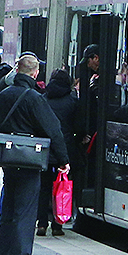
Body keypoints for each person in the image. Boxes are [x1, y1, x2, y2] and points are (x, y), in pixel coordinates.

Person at [0, 54, 69, 255]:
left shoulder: (3, 95)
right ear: (35, 74)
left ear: (17, 71)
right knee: (25, 213)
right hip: (30, 161)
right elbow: (53, 129)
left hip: (8, 159)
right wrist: (63, 160)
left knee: (7, 210)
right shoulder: (34, 98)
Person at [38, 67, 80, 236]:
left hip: (45, 150)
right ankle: (58, 224)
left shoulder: (43, 99)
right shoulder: (72, 101)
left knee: (44, 188)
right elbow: (78, 126)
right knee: (62, 187)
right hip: (65, 149)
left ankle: (41, 223)